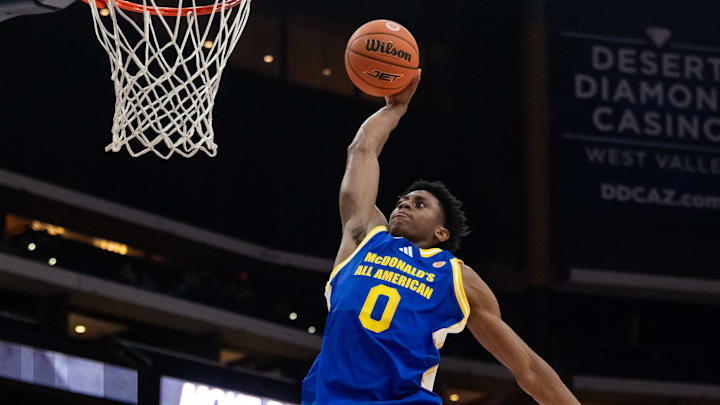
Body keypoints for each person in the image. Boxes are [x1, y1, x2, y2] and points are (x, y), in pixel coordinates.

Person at [302, 70, 581, 405]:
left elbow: (528, 369)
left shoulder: (456, 276)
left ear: (441, 231)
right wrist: (394, 109)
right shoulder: (363, 236)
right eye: (403, 200)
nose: (404, 203)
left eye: (420, 203)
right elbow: (361, 151)